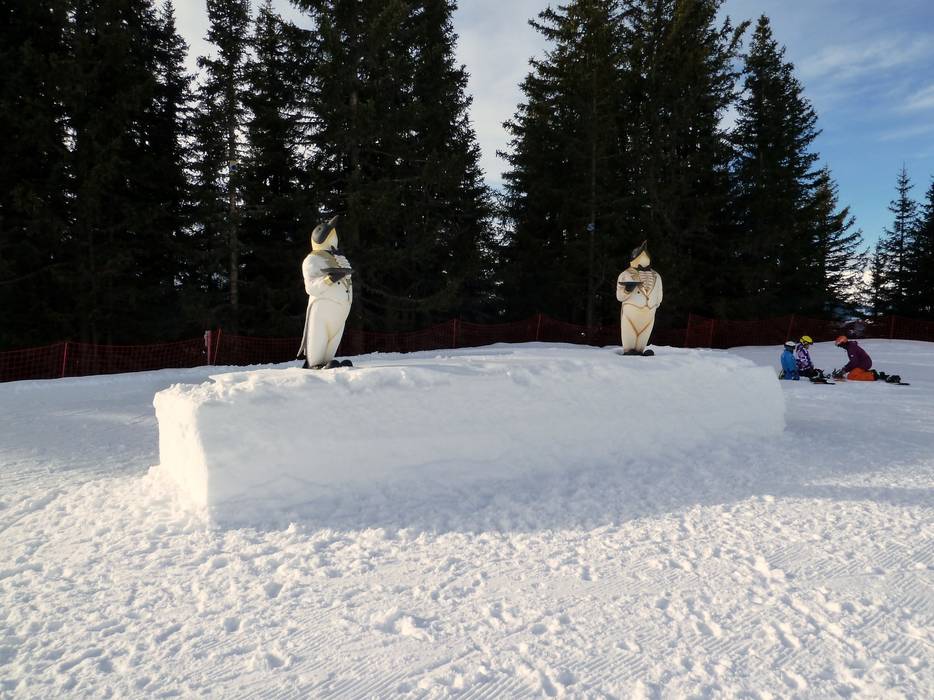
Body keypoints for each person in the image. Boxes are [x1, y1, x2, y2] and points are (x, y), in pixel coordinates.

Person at [297, 216, 354, 370]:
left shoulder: (338, 257)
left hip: (341, 309)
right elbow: (311, 287)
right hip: (322, 308)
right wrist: (329, 279)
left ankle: (327, 360)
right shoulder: (312, 259)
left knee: (334, 336)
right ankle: (315, 363)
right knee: (319, 334)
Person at [617, 240, 663, 356]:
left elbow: (659, 294)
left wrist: (655, 303)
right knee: (629, 330)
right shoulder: (625, 274)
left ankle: (640, 349)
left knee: (645, 332)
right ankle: (628, 349)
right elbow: (619, 296)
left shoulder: (657, 276)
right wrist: (627, 290)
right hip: (631, 313)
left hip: (649, 312)